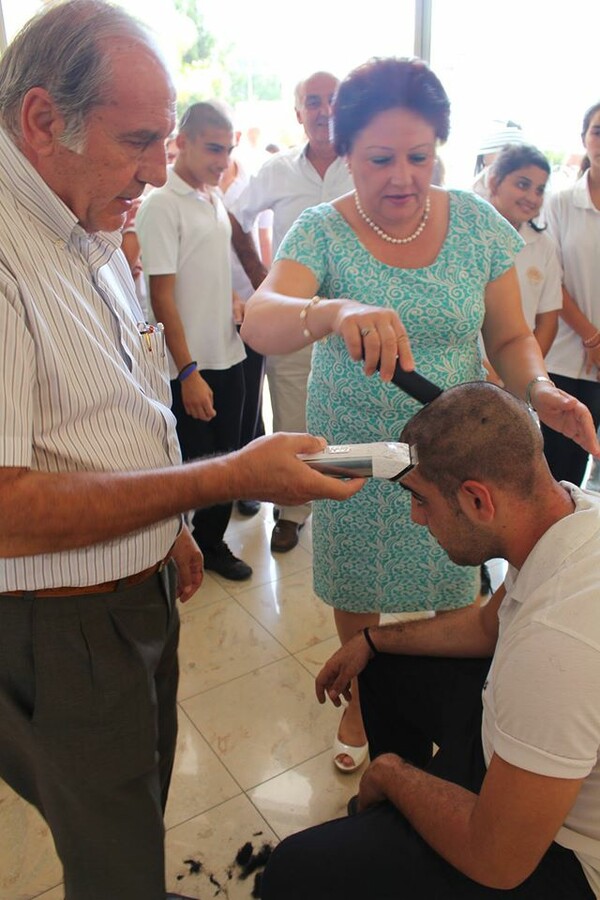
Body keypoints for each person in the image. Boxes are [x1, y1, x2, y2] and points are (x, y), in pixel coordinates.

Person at [0, 4, 365, 899]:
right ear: (43, 121)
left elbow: (109, 402)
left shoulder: (79, 217)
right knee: (115, 844)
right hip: (67, 622)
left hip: (134, 589)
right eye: (139, 140)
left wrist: (170, 525)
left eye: (166, 141)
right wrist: (231, 475)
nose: (157, 169)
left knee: (135, 793)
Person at [240, 57, 600, 775]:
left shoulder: (473, 223)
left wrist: (540, 390)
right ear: (344, 154)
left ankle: (437, 703)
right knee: (359, 591)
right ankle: (365, 695)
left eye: (419, 156)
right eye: (379, 159)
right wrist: (332, 310)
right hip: (355, 454)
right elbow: (260, 320)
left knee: (450, 583)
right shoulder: (322, 231)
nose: (402, 177)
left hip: (449, 458)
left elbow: (507, 336)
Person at [261, 381, 600, 900]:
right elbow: (490, 626)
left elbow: (499, 860)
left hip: (563, 857)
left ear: (477, 499)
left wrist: (393, 774)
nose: (417, 518)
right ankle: (407, 819)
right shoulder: (575, 516)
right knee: (382, 665)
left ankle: (405, 809)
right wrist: (372, 640)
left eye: (421, 500)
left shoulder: (555, 643)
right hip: (532, 767)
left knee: (292, 873)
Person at [230, 70, 353, 553]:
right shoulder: (276, 171)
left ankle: (353, 504)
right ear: (298, 113)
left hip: (357, 319)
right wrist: (263, 283)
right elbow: (235, 218)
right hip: (296, 320)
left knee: (356, 413)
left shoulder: (365, 164)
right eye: (313, 102)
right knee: (291, 415)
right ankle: (293, 509)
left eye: (333, 101)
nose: (324, 111)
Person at [136, 102, 254, 581]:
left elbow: (207, 266)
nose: (222, 160)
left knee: (231, 456)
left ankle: (211, 543)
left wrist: (231, 299)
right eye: (212, 148)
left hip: (230, 351)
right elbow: (161, 297)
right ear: (180, 142)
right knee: (198, 466)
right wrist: (187, 373)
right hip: (192, 364)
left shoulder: (211, 195)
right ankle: (190, 546)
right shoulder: (162, 202)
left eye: (227, 150)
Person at [540, 101, 600, 486]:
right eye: (597, 131)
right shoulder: (560, 202)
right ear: (584, 139)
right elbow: (551, 278)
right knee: (560, 476)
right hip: (565, 359)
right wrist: (592, 338)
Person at [219, 130, 274, 518]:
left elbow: (266, 241)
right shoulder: (190, 188)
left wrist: (266, 294)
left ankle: (250, 481)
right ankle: (226, 476)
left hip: (249, 303)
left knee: (252, 394)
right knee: (226, 395)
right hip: (209, 307)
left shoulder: (252, 181)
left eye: (223, 144)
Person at [486, 144, 562, 357]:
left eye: (539, 190)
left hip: (515, 375)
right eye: (522, 184)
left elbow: (548, 320)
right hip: (467, 369)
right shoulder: (467, 234)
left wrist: (527, 374)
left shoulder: (543, 246)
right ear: (494, 182)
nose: (532, 197)